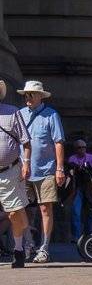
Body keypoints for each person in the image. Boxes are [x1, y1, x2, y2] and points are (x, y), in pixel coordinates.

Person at [20, 81, 64, 264]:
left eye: (31, 94)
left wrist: (60, 168)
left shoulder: (51, 115)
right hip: (22, 170)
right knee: (21, 209)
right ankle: (28, 243)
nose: (28, 97)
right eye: (26, 94)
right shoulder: (20, 114)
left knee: (45, 208)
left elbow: (58, 142)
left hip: (46, 169)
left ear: (40, 96)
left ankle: (44, 247)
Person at [0, 81, 32, 268]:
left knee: (13, 213)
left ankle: (18, 249)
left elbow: (26, 142)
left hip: (10, 170)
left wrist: (26, 164)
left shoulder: (13, 112)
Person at [66, 139, 92, 240]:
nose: (82, 150)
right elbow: (73, 170)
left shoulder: (91, 157)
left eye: (84, 147)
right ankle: (76, 236)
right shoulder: (72, 158)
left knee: (90, 212)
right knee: (75, 211)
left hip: (90, 188)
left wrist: (87, 167)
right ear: (75, 149)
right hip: (78, 187)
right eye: (79, 148)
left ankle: (89, 235)